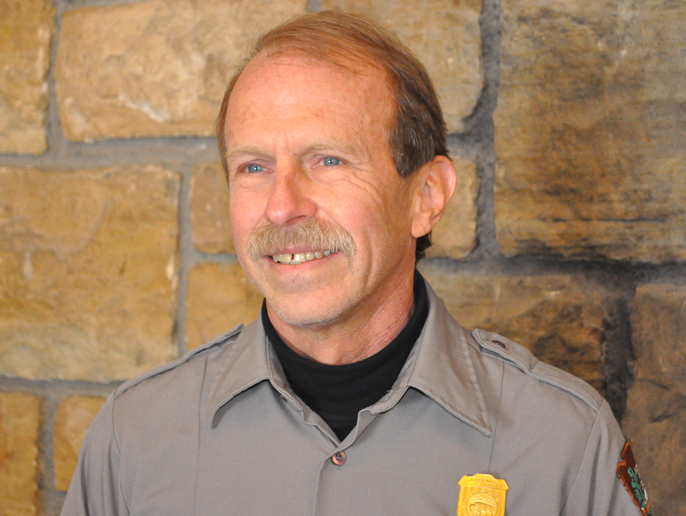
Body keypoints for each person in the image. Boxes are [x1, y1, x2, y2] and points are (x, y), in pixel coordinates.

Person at [62, 11, 651, 516]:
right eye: (253, 167)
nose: (282, 206)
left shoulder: (564, 445)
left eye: (329, 160)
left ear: (426, 197)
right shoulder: (133, 440)